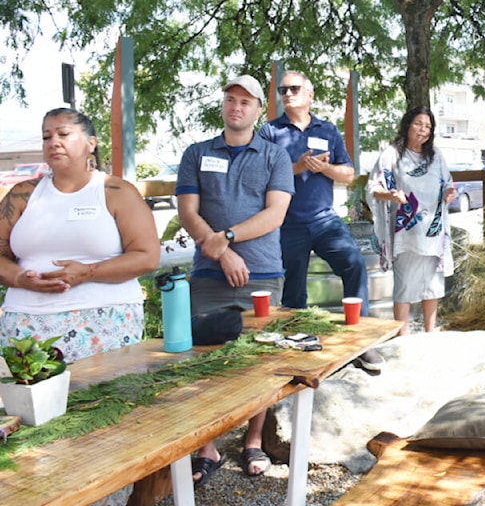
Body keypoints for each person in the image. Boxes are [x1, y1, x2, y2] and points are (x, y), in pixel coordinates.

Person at [176, 75, 294, 486]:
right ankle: (207, 444)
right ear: (223, 105)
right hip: (208, 272)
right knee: (204, 359)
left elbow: (275, 214)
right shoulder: (196, 153)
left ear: (259, 109)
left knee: (259, 361)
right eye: (231, 100)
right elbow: (188, 212)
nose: (237, 107)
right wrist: (222, 252)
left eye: (246, 101)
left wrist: (227, 237)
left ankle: (253, 439)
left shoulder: (275, 156)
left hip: (262, 272)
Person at [0, 108, 160, 362]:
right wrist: (20, 278)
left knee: (101, 399)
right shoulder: (22, 194)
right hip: (26, 325)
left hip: (105, 323)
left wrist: (87, 272)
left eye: (64, 134)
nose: (54, 143)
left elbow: (147, 256)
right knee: (29, 401)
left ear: (91, 143)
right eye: (46, 137)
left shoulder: (117, 191)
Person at [258, 70, 383, 371]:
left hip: (325, 220)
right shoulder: (269, 132)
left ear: (310, 95)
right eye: (283, 89)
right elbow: (260, 176)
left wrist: (323, 169)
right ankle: (297, 355)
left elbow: (349, 174)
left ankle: (358, 343)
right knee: (293, 292)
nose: (287, 94)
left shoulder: (327, 130)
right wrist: (298, 166)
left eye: (294, 88)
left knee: (354, 264)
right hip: (287, 223)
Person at [366, 106, 457, 335]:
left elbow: (447, 182)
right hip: (405, 231)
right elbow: (373, 187)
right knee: (405, 285)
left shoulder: (435, 157)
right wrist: (390, 195)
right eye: (418, 124)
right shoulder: (392, 155)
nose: (423, 130)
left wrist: (449, 193)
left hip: (432, 232)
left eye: (428, 126)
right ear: (407, 125)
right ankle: (402, 338)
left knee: (432, 286)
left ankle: (429, 332)